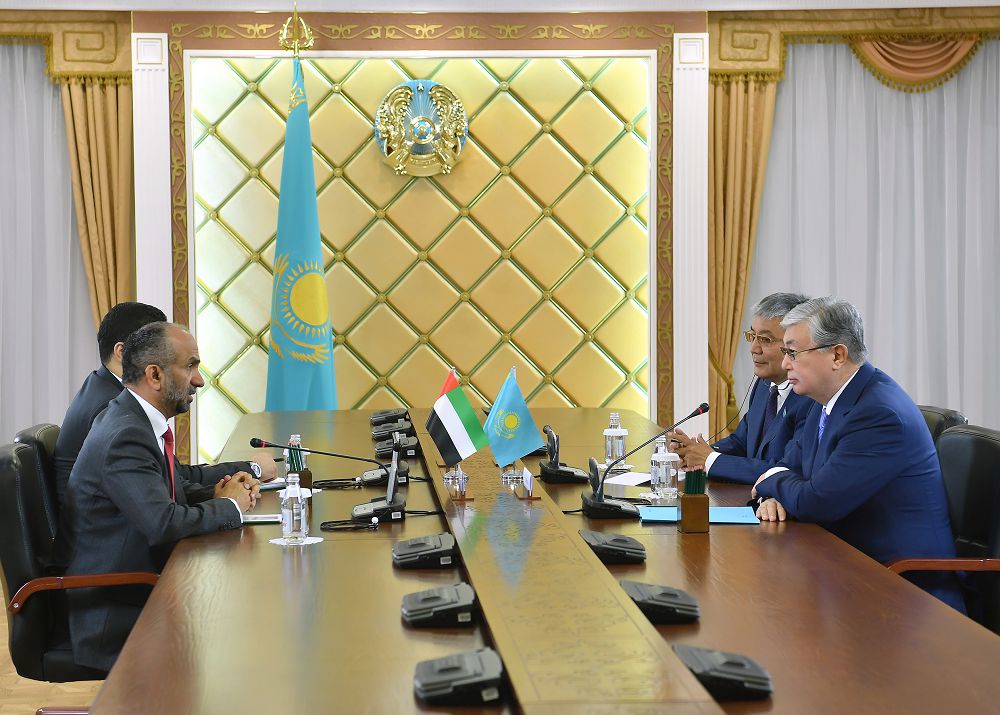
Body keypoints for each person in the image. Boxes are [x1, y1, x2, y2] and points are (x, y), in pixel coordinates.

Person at [61, 322, 261, 671]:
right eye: (190, 366)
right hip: (117, 609)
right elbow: (162, 523)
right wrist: (229, 505)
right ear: (154, 375)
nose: (199, 380)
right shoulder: (125, 434)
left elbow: (167, 491)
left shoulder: (133, 419)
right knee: (246, 622)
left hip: (144, 586)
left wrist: (223, 491)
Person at [751, 297, 964, 611]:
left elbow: (816, 501)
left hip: (907, 596)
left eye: (793, 353)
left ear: (837, 355)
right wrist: (772, 496)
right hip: (849, 572)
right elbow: (787, 466)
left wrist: (771, 483)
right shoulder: (824, 402)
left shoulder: (879, 414)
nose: (785, 365)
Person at [53, 303, 276, 512]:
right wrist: (241, 485)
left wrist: (225, 491)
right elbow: (162, 514)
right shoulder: (111, 408)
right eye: (152, 341)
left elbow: (173, 479)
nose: (198, 380)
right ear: (123, 352)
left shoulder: (107, 389)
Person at [670, 292, 815, 484]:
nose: (753, 348)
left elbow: (785, 470)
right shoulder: (764, 385)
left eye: (765, 340)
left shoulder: (812, 397)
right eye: (752, 336)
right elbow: (742, 441)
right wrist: (695, 452)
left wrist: (710, 459)